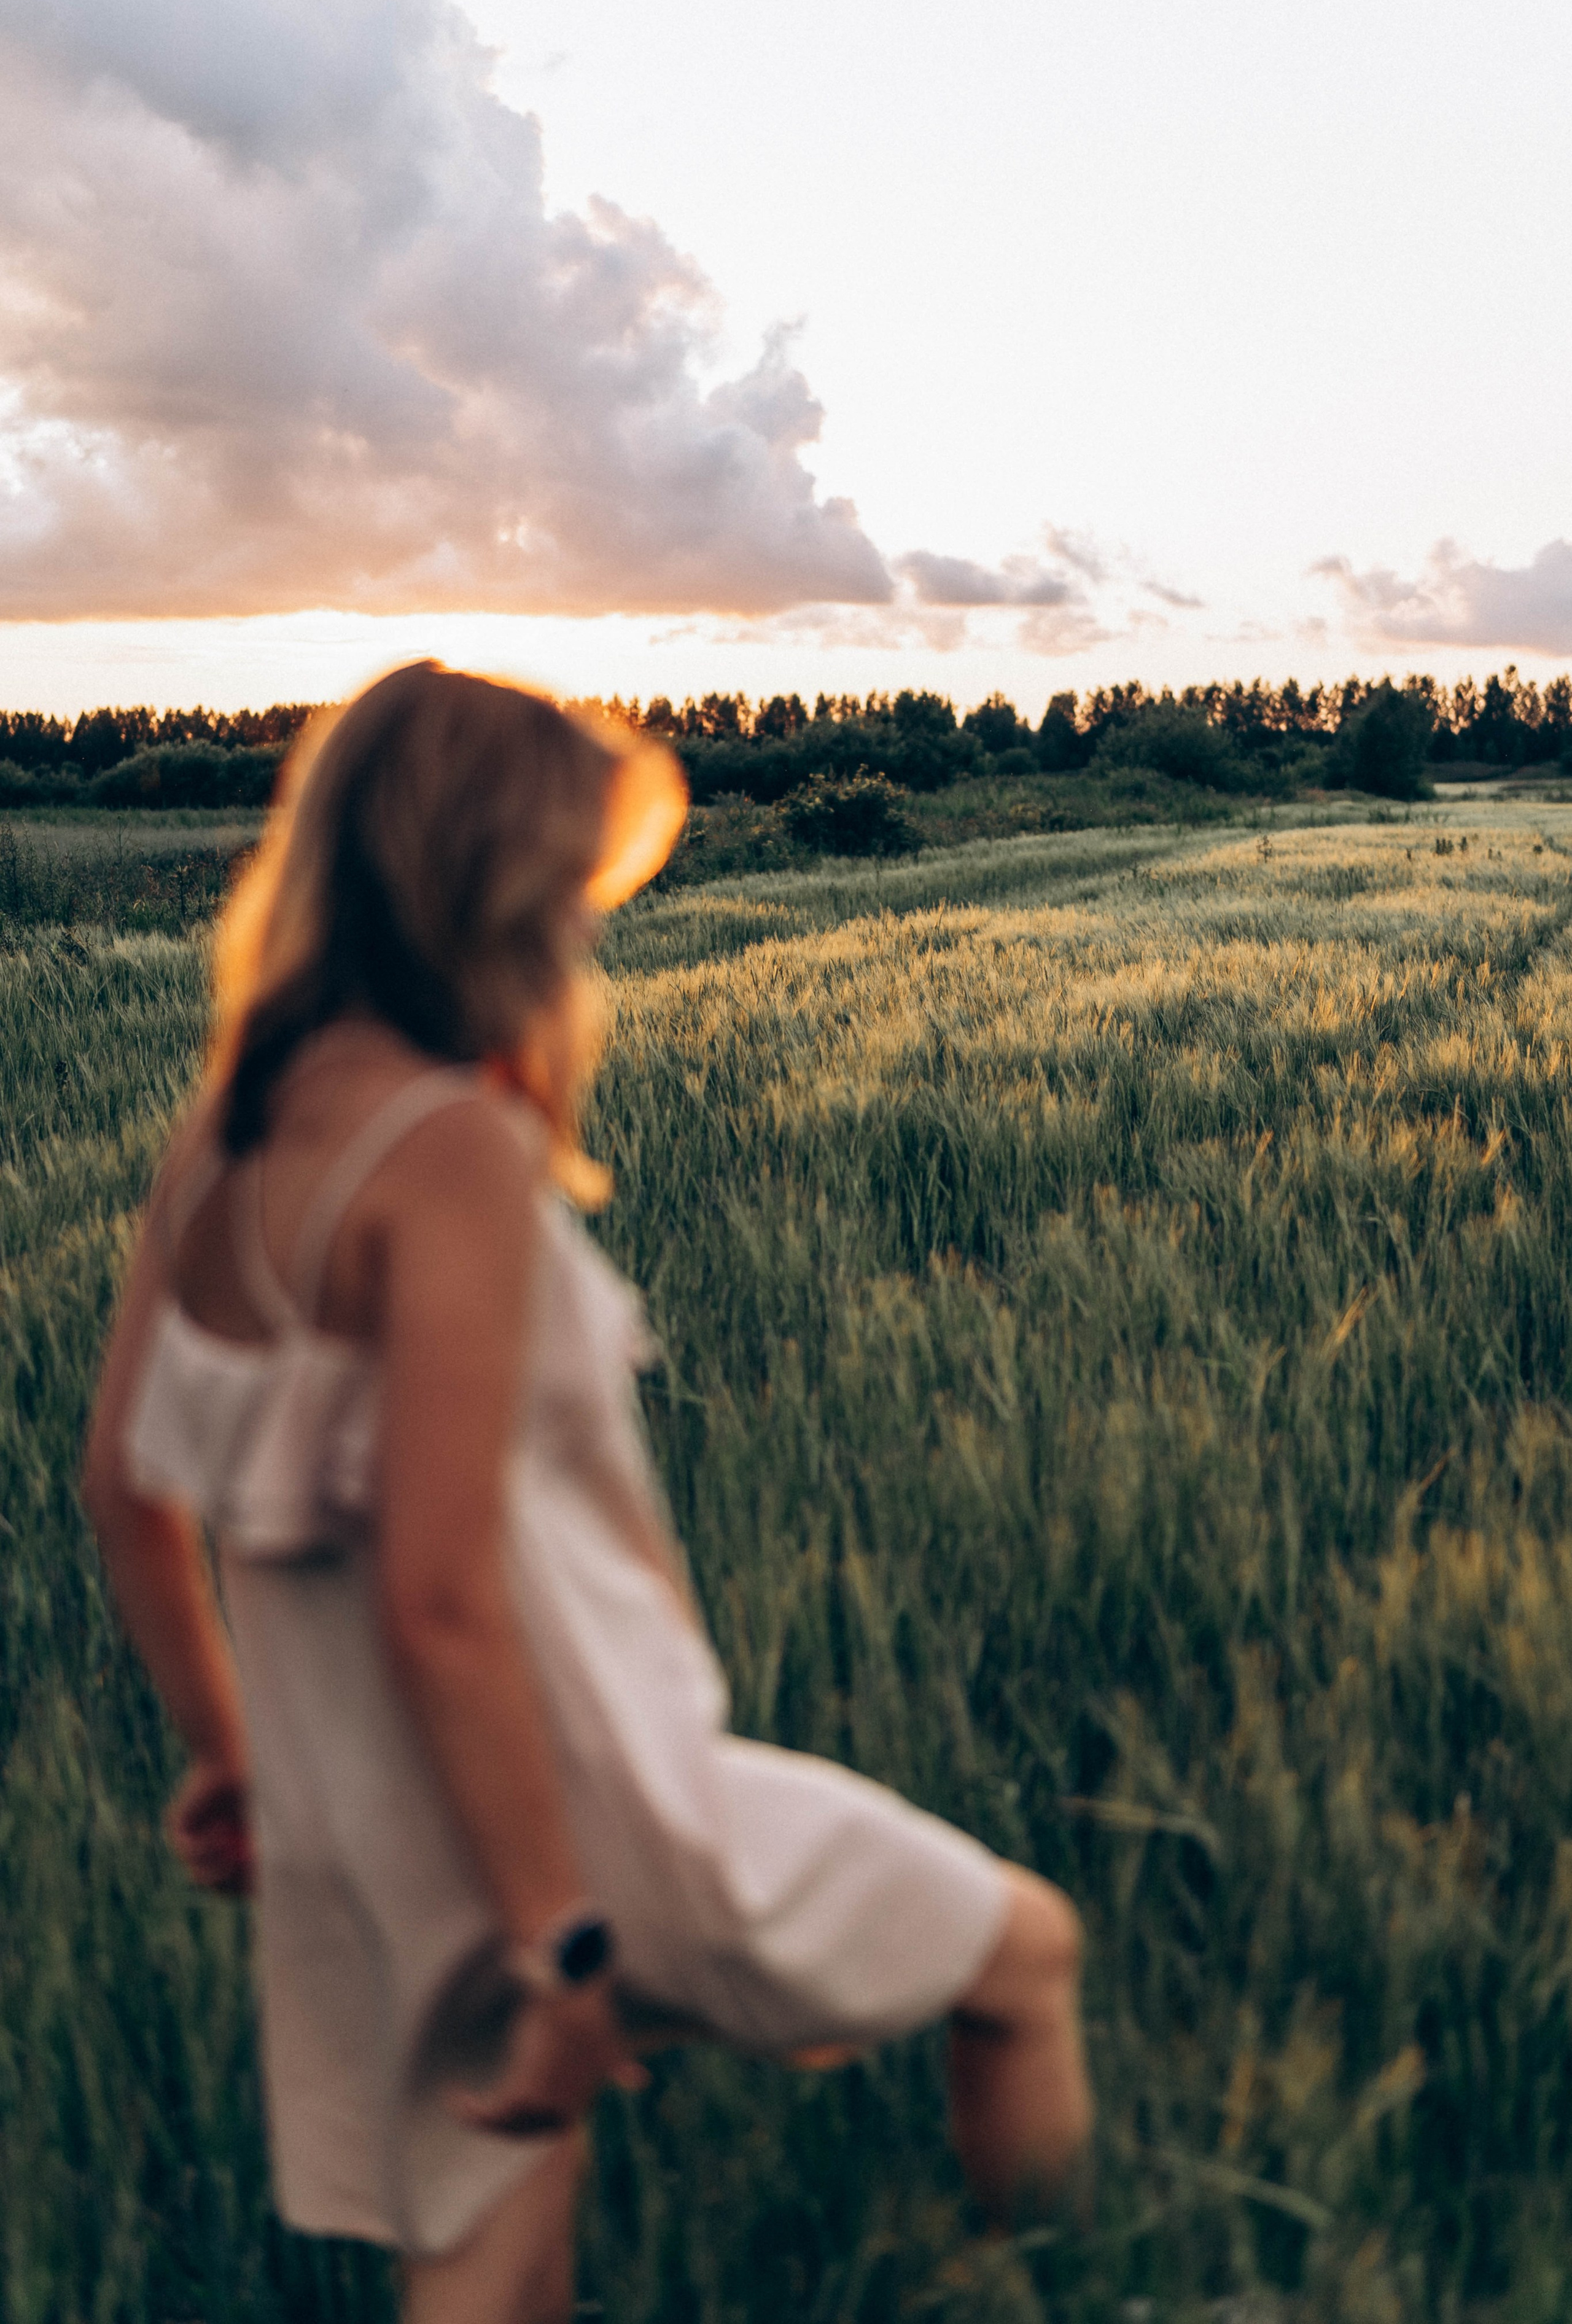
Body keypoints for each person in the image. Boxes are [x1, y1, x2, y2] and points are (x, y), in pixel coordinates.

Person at [81, 662, 1091, 2324]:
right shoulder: (448, 1150)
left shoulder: (223, 1140)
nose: (580, 927)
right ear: (493, 883)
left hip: (365, 1812)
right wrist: (566, 1942)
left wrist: (233, 1749)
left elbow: (125, 1487)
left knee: (491, 2246)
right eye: (565, 887)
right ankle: (1074, 2290)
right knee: (1027, 1953)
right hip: (590, 1806)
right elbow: (445, 1592)